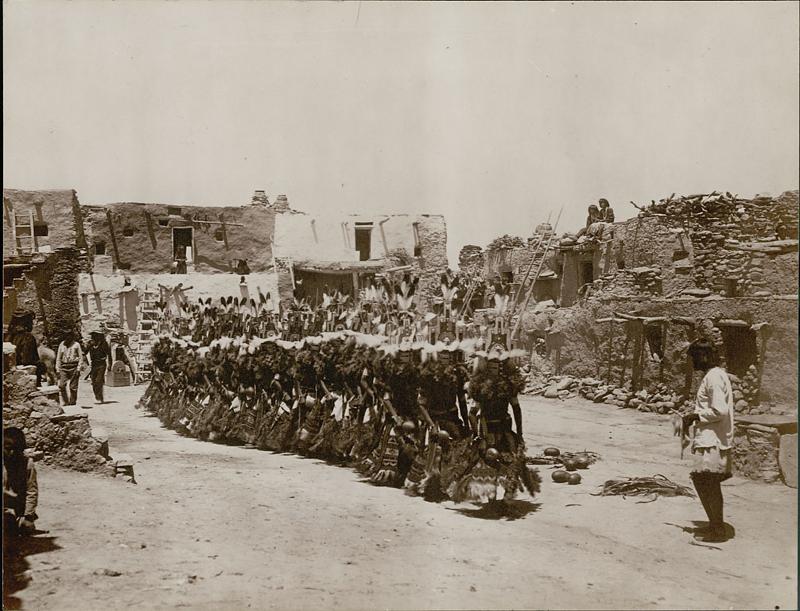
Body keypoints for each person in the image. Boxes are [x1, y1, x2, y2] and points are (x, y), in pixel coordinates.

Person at [682, 339, 734, 543]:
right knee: (704, 481)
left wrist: (695, 416)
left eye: (694, 357)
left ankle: (718, 529)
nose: (693, 362)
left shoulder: (713, 377)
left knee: (708, 482)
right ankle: (714, 524)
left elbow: (719, 411)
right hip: (710, 437)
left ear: (704, 356)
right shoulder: (715, 375)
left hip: (713, 439)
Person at [3, 427, 38, 535]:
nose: (11, 452)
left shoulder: (27, 464)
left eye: (15, 449)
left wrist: (28, 516)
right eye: (8, 448)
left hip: (17, 508)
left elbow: (31, 492)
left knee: (26, 528)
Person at [5, 310, 44, 387]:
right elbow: (27, 359)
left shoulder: (9, 336)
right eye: (31, 321)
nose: (32, 324)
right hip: (25, 375)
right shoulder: (28, 337)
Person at [56, 331, 83, 406]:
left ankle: (72, 402)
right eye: (66, 337)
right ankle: (66, 401)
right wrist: (57, 369)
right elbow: (58, 358)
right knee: (61, 385)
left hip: (74, 367)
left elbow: (81, 358)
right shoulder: (62, 344)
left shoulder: (76, 345)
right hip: (64, 367)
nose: (67, 338)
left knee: (73, 387)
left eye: (69, 337)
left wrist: (78, 369)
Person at [86, 330, 112, 404]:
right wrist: (88, 345)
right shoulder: (91, 344)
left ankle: (100, 397)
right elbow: (84, 352)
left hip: (101, 364)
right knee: (94, 381)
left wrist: (110, 364)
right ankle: (97, 396)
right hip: (94, 364)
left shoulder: (104, 344)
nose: (92, 337)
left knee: (99, 380)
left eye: (94, 336)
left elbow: (109, 354)